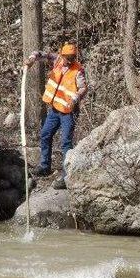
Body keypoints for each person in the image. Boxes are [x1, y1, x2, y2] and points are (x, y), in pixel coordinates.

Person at [24, 42, 88, 189]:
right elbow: (41, 54)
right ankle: (44, 166)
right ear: (62, 54)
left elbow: (83, 88)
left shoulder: (78, 70)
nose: (69, 60)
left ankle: (66, 177)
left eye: (72, 57)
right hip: (54, 109)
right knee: (45, 134)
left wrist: (75, 99)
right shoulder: (57, 59)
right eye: (67, 57)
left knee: (66, 142)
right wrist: (32, 58)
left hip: (68, 112)